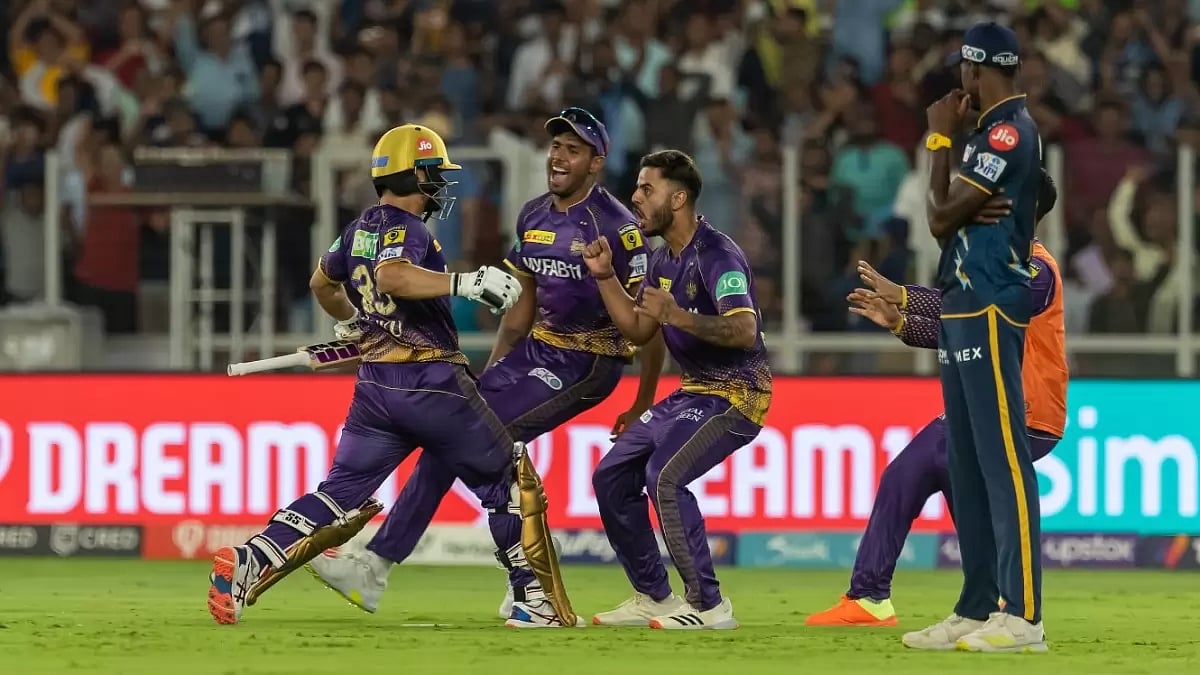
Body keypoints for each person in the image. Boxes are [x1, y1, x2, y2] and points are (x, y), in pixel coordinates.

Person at [207, 124, 579, 629]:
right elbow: (391, 275)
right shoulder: (412, 229)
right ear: (415, 174)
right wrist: (463, 282)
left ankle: (251, 559)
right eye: (435, 175)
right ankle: (535, 601)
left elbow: (322, 283)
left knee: (338, 494)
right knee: (510, 481)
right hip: (432, 383)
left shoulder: (358, 228)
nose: (440, 186)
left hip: (376, 389)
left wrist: (355, 323)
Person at [308, 107, 665, 627]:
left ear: (596, 162)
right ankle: (501, 580)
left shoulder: (619, 229)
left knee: (470, 440)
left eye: (573, 149)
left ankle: (390, 567)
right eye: (556, 146)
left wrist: (642, 400)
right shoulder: (534, 215)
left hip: (589, 363)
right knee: (455, 435)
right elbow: (521, 305)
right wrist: (491, 369)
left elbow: (646, 323)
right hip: (534, 352)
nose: (559, 156)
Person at [806, 169, 1067, 629]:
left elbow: (975, 313)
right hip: (986, 406)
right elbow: (961, 322)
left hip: (1026, 413)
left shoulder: (1036, 270)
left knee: (934, 469)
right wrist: (898, 317)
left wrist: (905, 299)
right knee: (921, 475)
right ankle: (889, 598)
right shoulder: (997, 263)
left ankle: (970, 601)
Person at [583, 150, 772, 630]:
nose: (636, 197)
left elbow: (745, 330)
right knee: (611, 475)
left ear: (679, 197)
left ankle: (709, 606)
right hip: (693, 393)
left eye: (647, 189)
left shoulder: (718, 254)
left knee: (664, 478)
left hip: (737, 394)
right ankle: (654, 594)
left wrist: (678, 315)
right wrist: (606, 277)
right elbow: (639, 329)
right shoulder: (662, 259)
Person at [912, 22, 1047, 652]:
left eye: (960, 69)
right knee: (965, 462)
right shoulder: (985, 137)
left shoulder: (1005, 130)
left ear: (974, 69)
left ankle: (1022, 616)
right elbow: (952, 214)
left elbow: (939, 217)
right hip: (962, 302)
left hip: (991, 302)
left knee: (1003, 461)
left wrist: (939, 136)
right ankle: (976, 604)